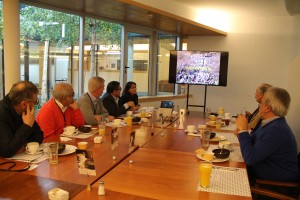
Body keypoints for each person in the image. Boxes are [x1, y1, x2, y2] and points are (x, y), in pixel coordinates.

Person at [236, 87, 299, 185]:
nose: (259, 106)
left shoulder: (276, 129)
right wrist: (241, 132)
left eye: (261, 103)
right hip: (265, 170)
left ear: (268, 108)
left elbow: (250, 159)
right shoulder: (272, 123)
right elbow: (254, 140)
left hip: (276, 184)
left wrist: (243, 131)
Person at [0, 81, 43, 158]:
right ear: (24, 104)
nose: (36, 104)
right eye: (35, 101)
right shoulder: (2, 114)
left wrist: (22, 145)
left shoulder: (25, 111)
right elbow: (6, 151)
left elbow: (39, 136)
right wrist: (26, 126)